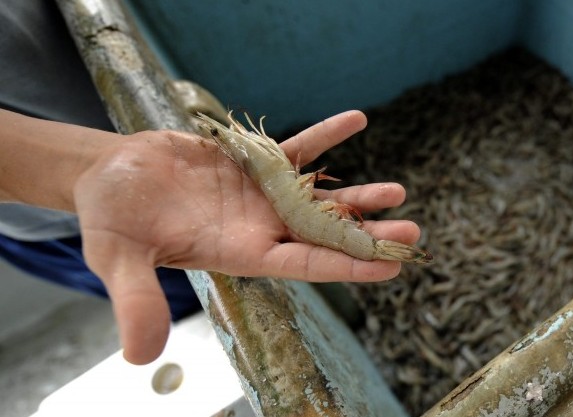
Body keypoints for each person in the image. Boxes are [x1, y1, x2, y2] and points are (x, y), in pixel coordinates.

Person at [0, 1, 421, 365]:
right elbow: (264, 154)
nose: (223, 136)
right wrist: (71, 168)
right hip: (52, 221)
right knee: (180, 290)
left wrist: (88, 161)